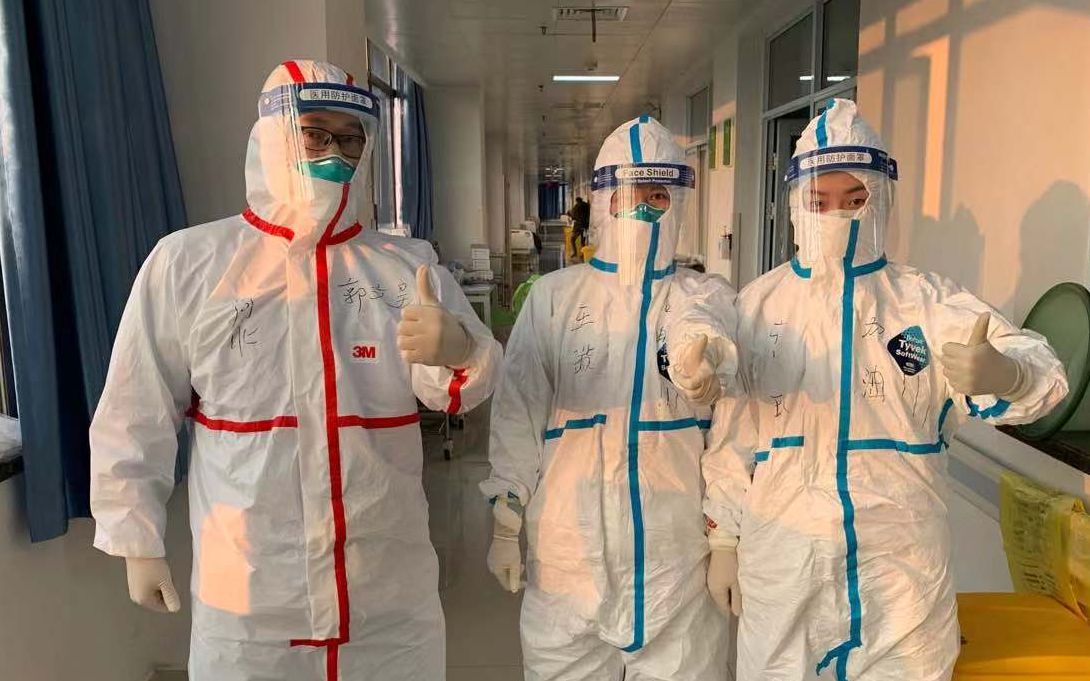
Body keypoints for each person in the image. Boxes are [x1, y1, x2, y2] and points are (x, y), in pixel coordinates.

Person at [90, 60, 502, 681]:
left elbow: (455, 395)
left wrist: (458, 351)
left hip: (384, 589)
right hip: (251, 594)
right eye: (315, 134)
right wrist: (136, 540)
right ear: (272, 137)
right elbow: (135, 408)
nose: (335, 154)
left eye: (351, 138)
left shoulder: (404, 267)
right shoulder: (189, 264)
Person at [669, 98, 1068, 681]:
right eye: (819, 201)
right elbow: (733, 438)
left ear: (881, 198)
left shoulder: (925, 302)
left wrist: (1008, 374)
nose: (837, 215)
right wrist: (725, 538)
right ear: (796, 204)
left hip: (901, 572)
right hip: (785, 561)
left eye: (854, 199)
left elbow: (1044, 372)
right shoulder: (757, 306)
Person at [481, 115, 738, 680]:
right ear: (603, 202)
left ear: (678, 202)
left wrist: (726, 536)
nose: (643, 210)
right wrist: (506, 517)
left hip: (676, 562)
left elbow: (731, 434)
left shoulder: (704, 296)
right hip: (569, 557)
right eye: (628, 196)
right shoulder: (554, 297)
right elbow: (518, 413)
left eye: (657, 196)